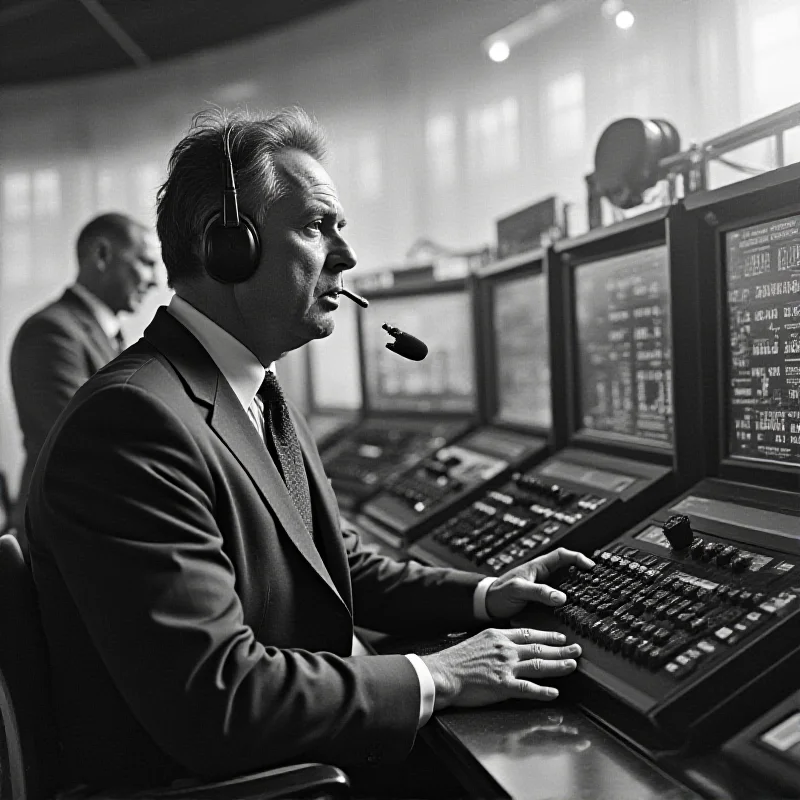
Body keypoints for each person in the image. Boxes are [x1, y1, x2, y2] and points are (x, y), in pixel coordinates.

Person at [25, 108, 593, 794]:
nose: (347, 257)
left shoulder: (249, 388)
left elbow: (333, 561)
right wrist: (437, 674)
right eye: (317, 226)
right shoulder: (132, 420)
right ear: (226, 244)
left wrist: (482, 596)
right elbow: (218, 697)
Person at [9, 212, 159, 539]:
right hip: (64, 534)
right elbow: (79, 443)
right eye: (146, 263)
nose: (155, 280)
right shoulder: (50, 332)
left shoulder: (111, 337)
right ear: (102, 254)